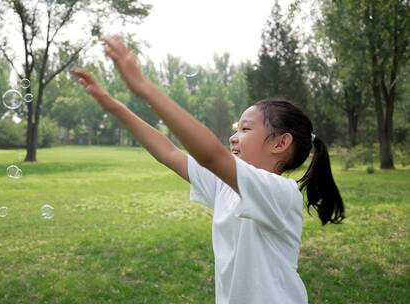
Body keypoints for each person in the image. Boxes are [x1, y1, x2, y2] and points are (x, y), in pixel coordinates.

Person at [70, 36, 345, 304]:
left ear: (281, 143)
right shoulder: (225, 187)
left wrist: (143, 86)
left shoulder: (281, 194)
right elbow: (168, 152)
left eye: (246, 129)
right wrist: (113, 107)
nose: (233, 138)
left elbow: (211, 155)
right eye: (236, 129)